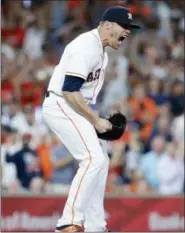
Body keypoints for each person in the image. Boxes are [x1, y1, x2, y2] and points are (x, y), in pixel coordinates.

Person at [42, 6, 140, 232]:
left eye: (130, 28)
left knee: (101, 161)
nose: (127, 32)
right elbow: (69, 90)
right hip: (60, 104)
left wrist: (97, 123)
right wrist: (95, 121)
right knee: (92, 158)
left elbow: (84, 96)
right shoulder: (86, 46)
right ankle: (68, 223)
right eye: (124, 27)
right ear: (107, 25)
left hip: (74, 107)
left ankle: (96, 226)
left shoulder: (102, 52)